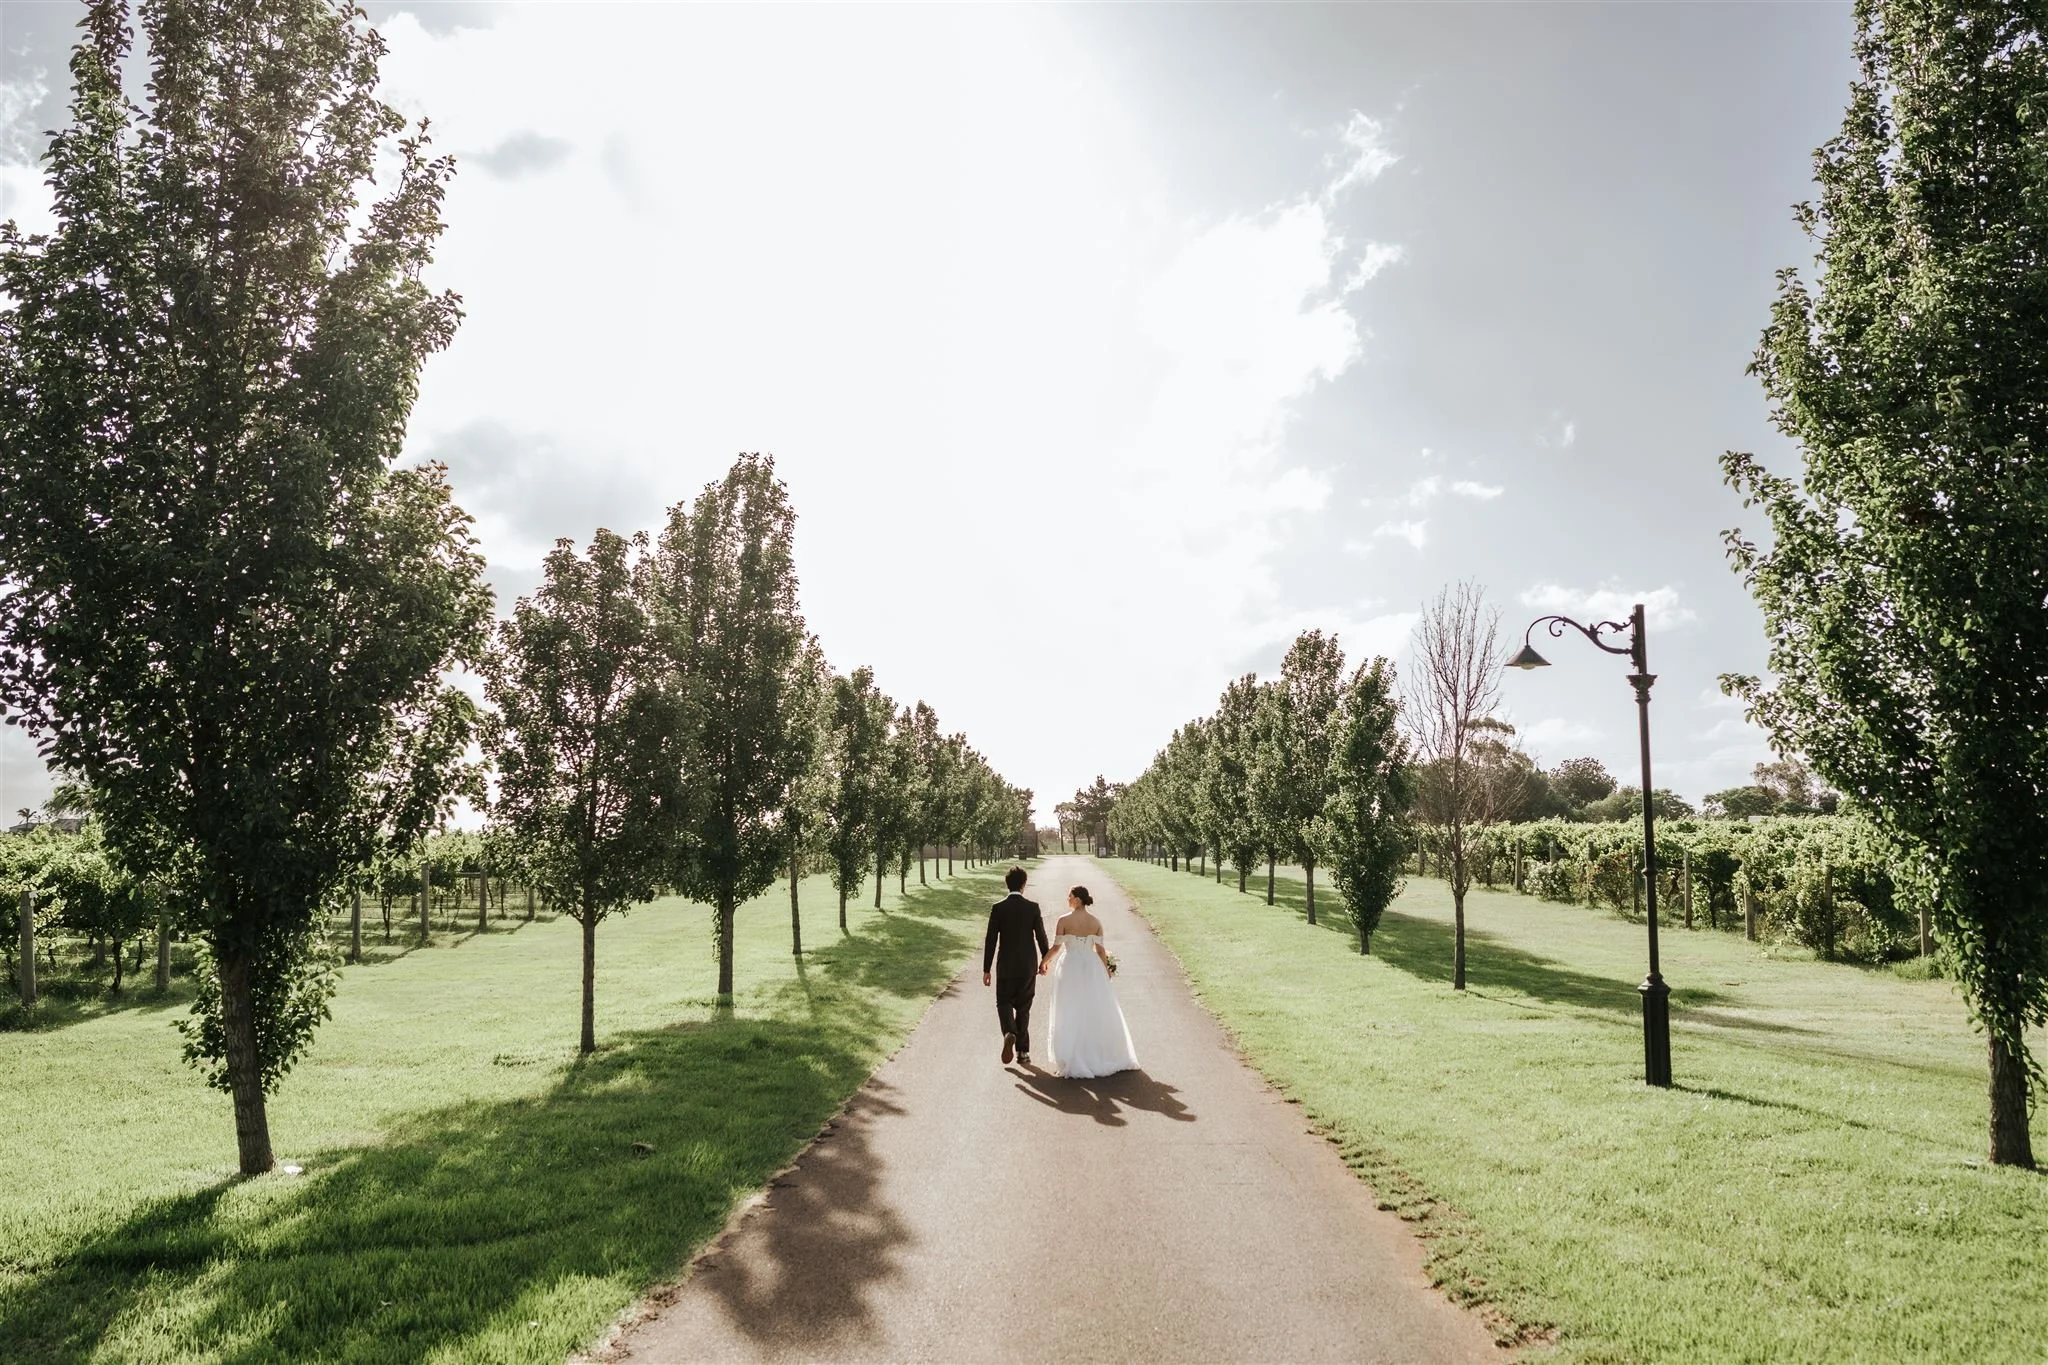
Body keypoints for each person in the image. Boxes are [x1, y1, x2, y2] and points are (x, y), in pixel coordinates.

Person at [1038, 885, 1139, 1078]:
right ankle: (1094, 1052)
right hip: (1091, 967)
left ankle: (1072, 1053)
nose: (1067, 898)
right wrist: (1105, 970)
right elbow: (1100, 951)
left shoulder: (1064, 920)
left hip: (1070, 966)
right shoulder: (1095, 922)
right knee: (1091, 1007)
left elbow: (1056, 948)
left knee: (1069, 1007)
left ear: (1077, 899)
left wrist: (1044, 962)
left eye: (1070, 896)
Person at [983, 866, 1049, 1066]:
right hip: (1028, 965)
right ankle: (1023, 1052)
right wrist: (1045, 960)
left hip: (1006, 965)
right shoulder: (1032, 907)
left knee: (1003, 1002)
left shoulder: (998, 908)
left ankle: (1009, 1032)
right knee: (1023, 1008)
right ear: (1023, 885)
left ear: (1007, 884)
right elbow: (1041, 936)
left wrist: (986, 969)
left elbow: (991, 940)